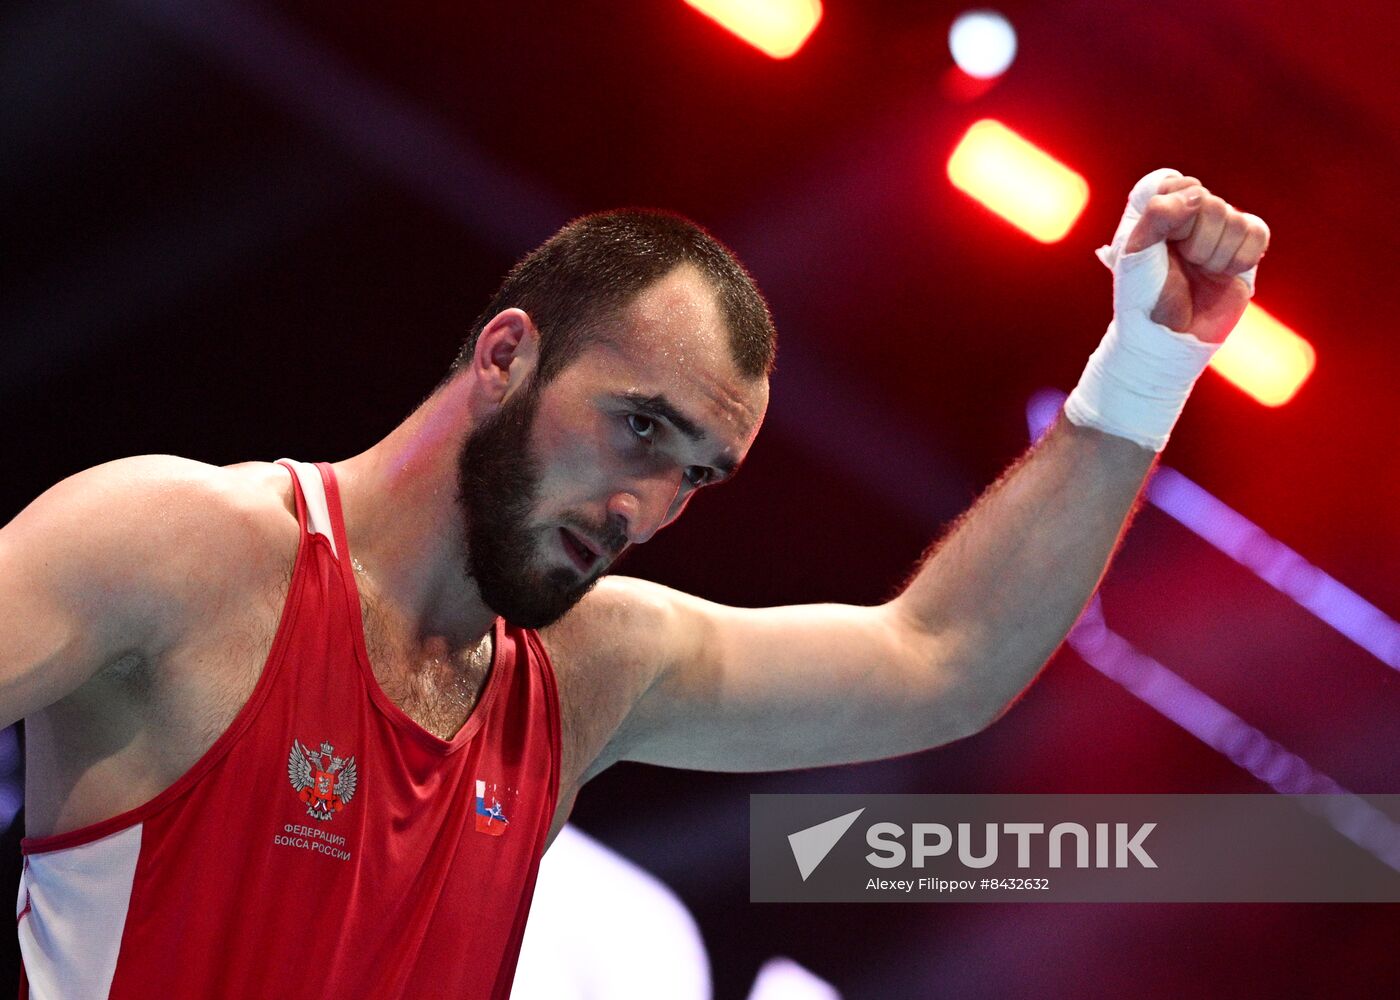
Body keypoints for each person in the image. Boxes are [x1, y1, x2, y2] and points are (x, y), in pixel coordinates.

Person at [0, 169, 1267, 998]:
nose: (644, 509)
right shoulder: (179, 544)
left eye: (695, 476)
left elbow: (938, 662)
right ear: (507, 354)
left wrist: (1145, 368)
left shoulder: (590, 670)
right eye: (640, 428)